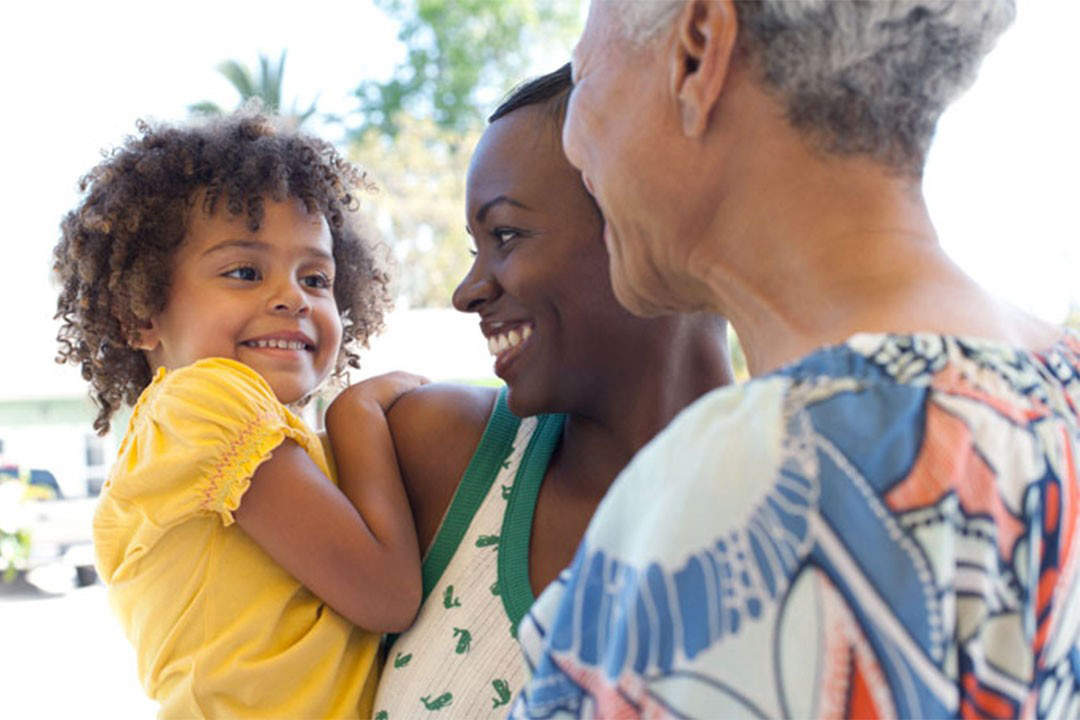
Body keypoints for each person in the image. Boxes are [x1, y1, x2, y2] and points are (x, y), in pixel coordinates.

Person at [515, 1, 1080, 718]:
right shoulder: (1058, 384)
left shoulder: (763, 476)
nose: (571, 142)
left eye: (582, 73)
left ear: (696, 51)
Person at [370, 64, 733, 719]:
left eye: (505, 235)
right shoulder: (442, 454)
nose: (467, 290)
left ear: (645, 220)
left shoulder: (809, 515)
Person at [52, 112, 423, 718]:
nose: (292, 297)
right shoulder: (204, 404)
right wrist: (360, 413)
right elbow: (388, 595)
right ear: (141, 313)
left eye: (316, 277)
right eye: (244, 272)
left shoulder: (210, 434)